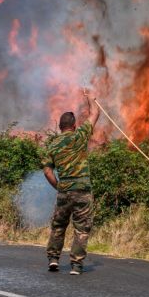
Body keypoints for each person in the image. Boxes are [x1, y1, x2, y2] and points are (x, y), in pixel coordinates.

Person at [42, 89, 100, 275]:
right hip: (82, 190)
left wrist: (58, 185)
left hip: (64, 190)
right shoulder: (80, 136)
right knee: (81, 229)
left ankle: (53, 259)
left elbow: (47, 171)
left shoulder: (53, 145)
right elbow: (95, 113)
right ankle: (76, 265)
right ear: (74, 126)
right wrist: (90, 97)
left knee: (59, 226)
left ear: (60, 127)